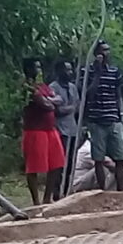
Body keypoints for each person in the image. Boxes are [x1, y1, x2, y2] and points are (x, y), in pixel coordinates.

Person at [17, 59, 65, 206]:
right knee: (34, 167)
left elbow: (59, 99)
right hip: (35, 131)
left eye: (39, 66)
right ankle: (36, 201)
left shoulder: (41, 86)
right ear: (28, 69)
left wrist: (49, 99)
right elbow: (45, 105)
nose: (39, 70)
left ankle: (47, 198)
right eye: (36, 67)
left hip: (50, 129)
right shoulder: (26, 86)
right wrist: (50, 101)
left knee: (57, 164)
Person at [82, 40, 123, 190]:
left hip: (113, 119)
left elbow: (118, 94)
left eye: (108, 50)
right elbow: (87, 94)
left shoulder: (115, 71)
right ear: (96, 54)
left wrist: (121, 115)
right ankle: (102, 191)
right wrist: (97, 74)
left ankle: (121, 190)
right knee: (98, 159)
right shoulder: (87, 71)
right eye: (103, 51)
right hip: (96, 121)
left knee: (120, 158)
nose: (106, 53)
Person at [49, 60, 83, 198]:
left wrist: (69, 109)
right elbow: (56, 110)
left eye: (70, 70)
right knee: (59, 163)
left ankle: (67, 190)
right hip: (59, 129)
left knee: (70, 163)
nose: (70, 73)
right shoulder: (53, 87)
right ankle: (56, 192)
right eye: (67, 70)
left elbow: (77, 105)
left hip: (72, 129)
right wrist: (70, 108)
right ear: (59, 71)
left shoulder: (73, 87)